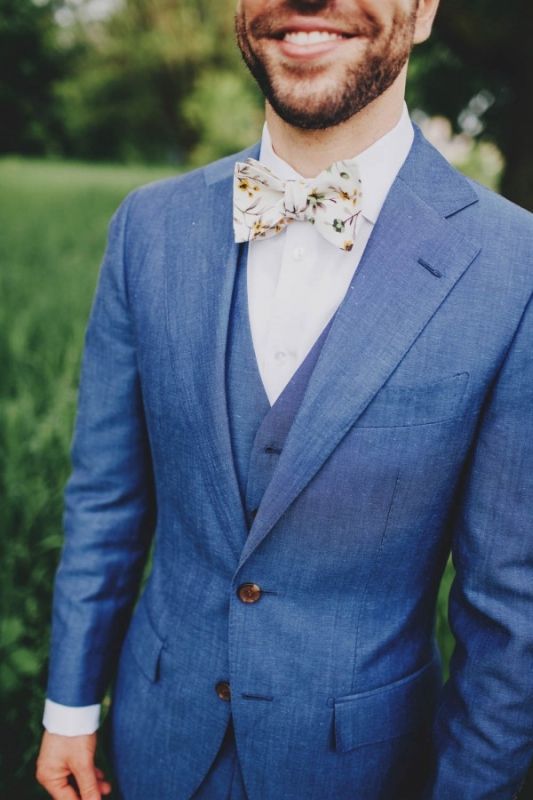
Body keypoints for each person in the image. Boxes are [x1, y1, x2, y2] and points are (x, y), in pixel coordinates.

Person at [36, 0, 533, 798]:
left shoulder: (515, 267)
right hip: (152, 742)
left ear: (426, 8)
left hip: (361, 767)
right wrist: (69, 708)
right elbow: (105, 500)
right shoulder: (147, 229)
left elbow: (513, 610)